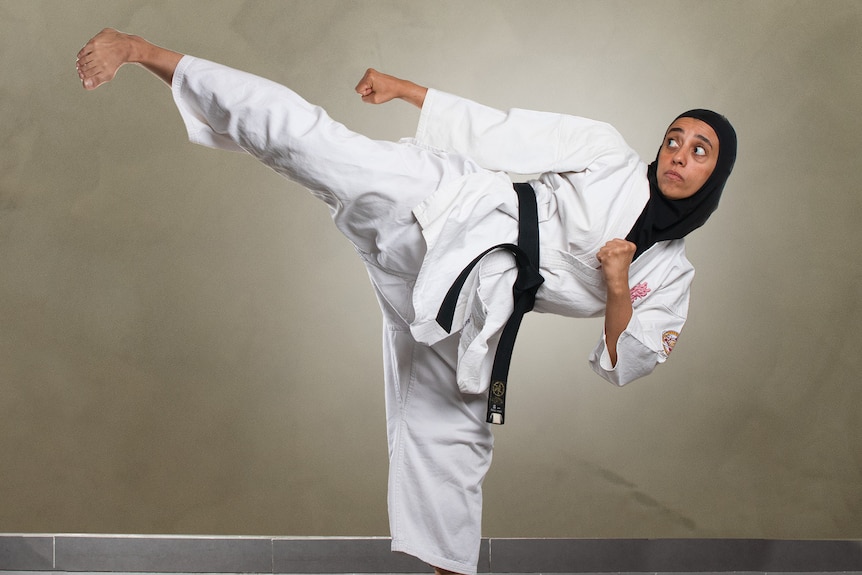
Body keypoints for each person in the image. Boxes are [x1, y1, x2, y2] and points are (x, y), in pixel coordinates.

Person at [76, 28, 737, 575]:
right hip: (450, 203)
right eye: (674, 139)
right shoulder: (607, 153)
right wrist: (404, 92)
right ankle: (145, 52)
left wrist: (618, 282)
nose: (678, 153)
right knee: (310, 142)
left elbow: (625, 356)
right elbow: (502, 131)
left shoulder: (671, 275)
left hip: (479, 308)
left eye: (698, 149)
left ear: (716, 174)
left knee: (451, 442)